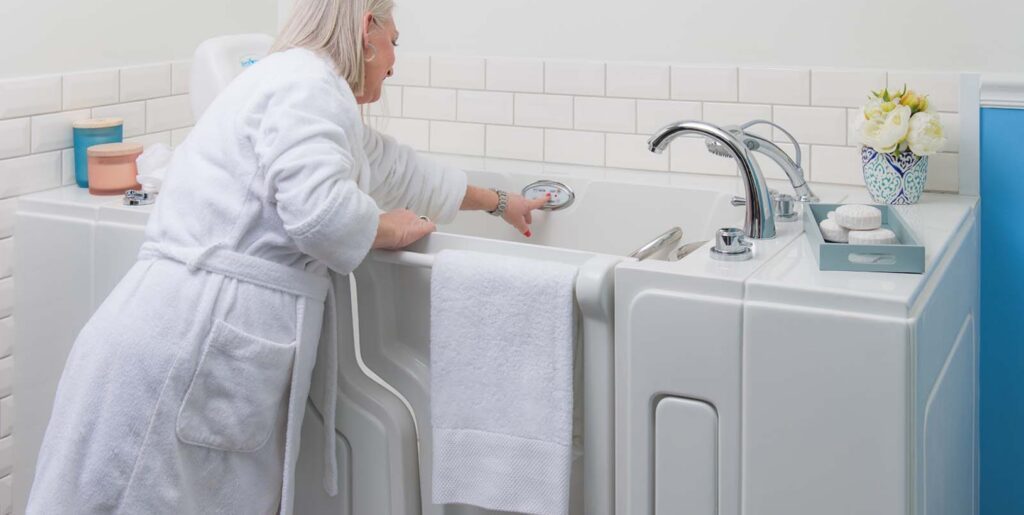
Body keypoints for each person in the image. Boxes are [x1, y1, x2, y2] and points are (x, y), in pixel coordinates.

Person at [26, 1, 547, 513]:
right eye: (394, 42)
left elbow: (399, 170)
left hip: (189, 339)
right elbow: (322, 217)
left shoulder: (303, 86)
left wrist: (501, 203)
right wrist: (385, 228)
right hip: (183, 347)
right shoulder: (307, 86)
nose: (394, 61)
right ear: (367, 30)